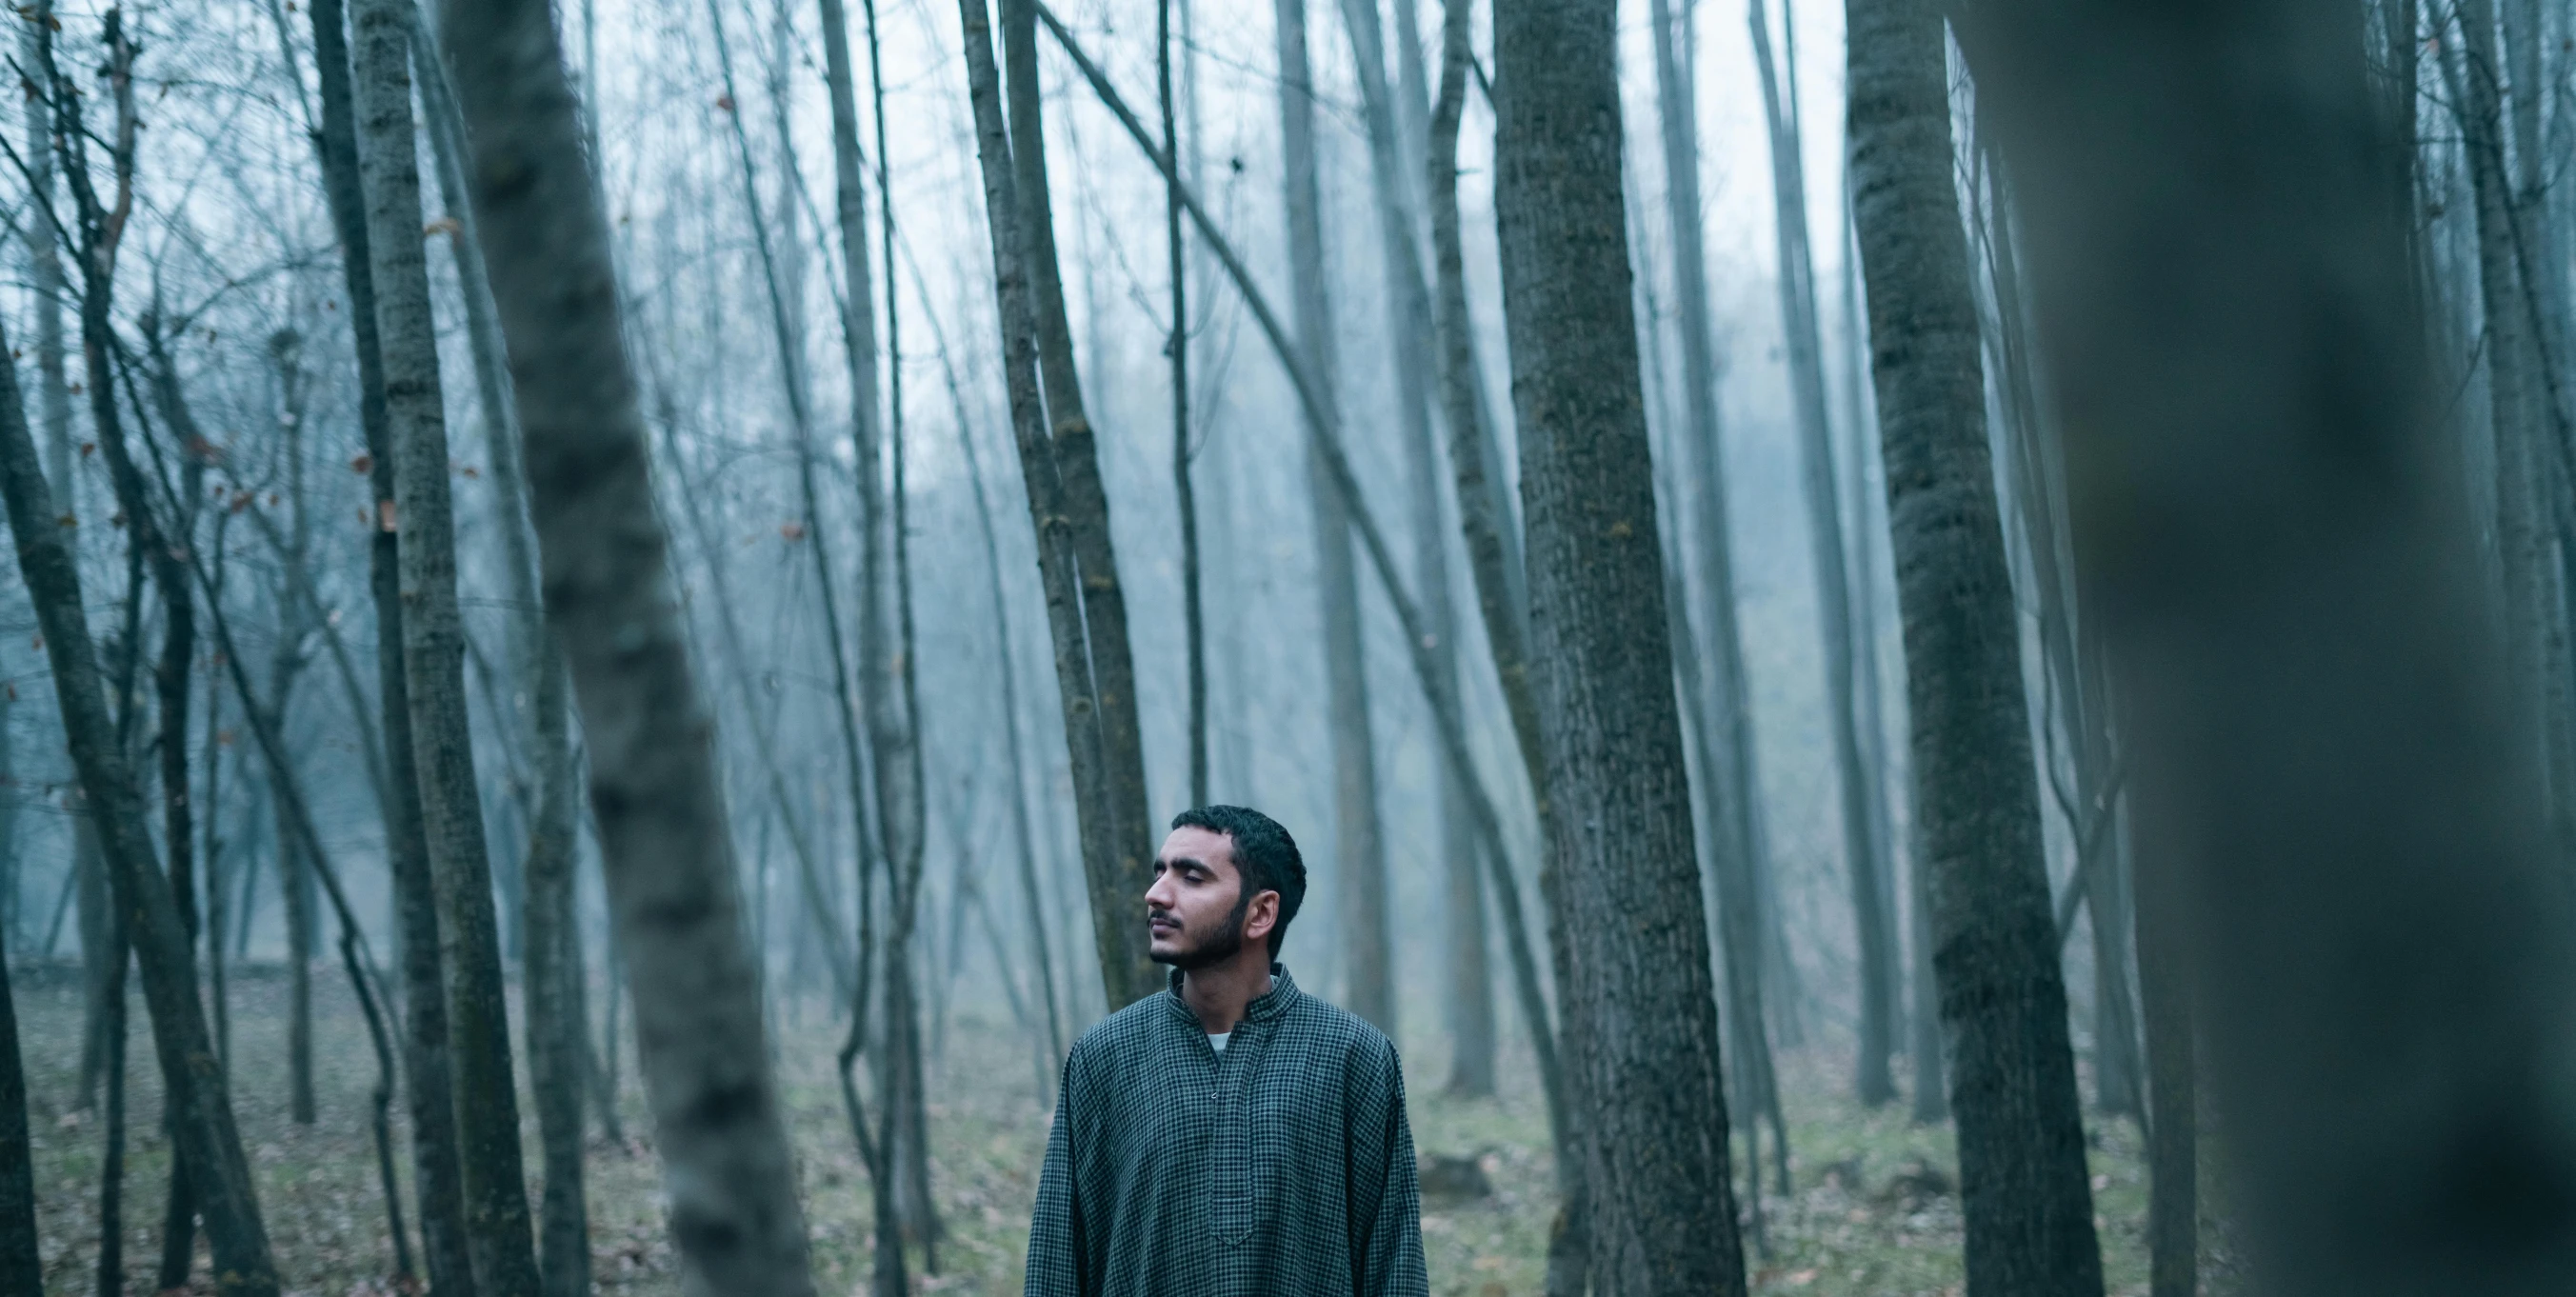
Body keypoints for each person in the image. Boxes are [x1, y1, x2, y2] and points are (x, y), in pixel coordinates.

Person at [1023, 805, 1428, 1297]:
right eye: (1160, 873)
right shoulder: (1105, 1055)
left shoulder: (1352, 1056)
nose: (1155, 894)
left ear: (1260, 913)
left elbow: (1394, 1264)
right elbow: (1058, 1260)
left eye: (1191, 877)